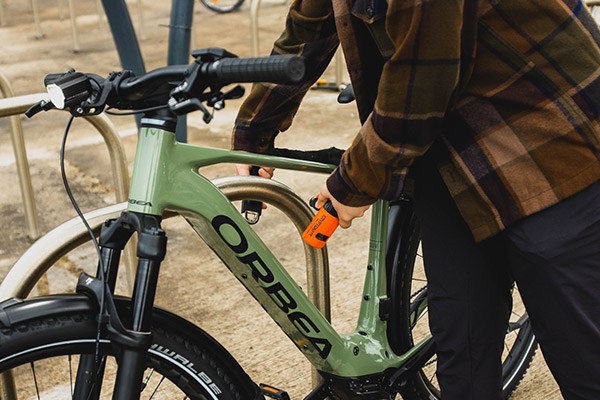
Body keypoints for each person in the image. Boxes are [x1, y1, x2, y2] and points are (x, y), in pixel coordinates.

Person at [232, 1, 600, 398]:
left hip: (547, 141)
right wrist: (254, 131)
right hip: (449, 152)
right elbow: (307, 30)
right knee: (463, 352)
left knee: (582, 357)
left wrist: (354, 181)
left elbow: (422, 78)